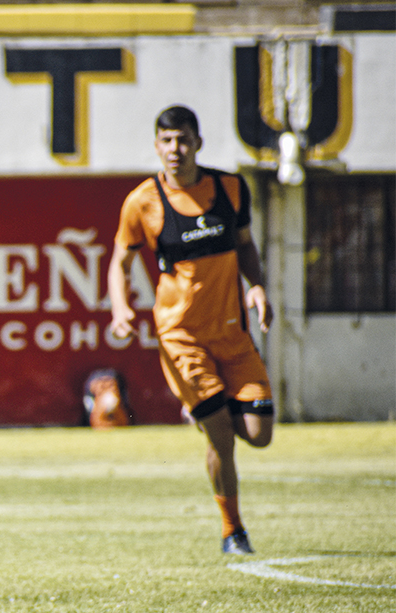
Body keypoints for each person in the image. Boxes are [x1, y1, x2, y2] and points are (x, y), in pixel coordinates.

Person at [107, 105, 275, 555]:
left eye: (182, 140)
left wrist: (256, 286)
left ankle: (203, 408)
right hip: (180, 334)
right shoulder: (143, 201)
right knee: (221, 432)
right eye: (166, 141)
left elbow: (245, 247)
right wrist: (121, 307)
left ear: (197, 142)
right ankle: (232, 530)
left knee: (259, 434)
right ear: (156, 146)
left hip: (232, 333)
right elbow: (119, 262)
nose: (174, 150)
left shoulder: (230, 189)